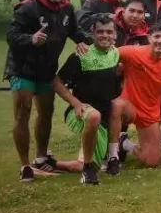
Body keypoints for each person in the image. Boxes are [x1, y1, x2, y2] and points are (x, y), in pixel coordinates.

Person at [5, 0, 88, 181]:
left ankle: (41, 158)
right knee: (23, 113)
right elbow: (11, 36)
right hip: (23, 69)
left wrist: (98, 39)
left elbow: (76, 33)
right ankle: (25, 166)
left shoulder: (67, 9)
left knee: (46, 113)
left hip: (47, 71)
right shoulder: (28, 7)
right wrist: (31, 38)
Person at [106, 23, 161, 173]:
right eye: (156, 36)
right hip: (129, 105)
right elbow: (106, 54)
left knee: (152, 162)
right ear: (149, 38)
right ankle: (112, 156)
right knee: (116, 105)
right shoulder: (131, 52)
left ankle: (124, 143)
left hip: (149, 113)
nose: (160, 40)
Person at [52, 15, 122, 185]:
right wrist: (75, 103)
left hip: (103, 119)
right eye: (100, 32)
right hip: (81, 113)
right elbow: (56, 81)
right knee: (93, 116)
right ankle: (87, 170)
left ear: (115, 35)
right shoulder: (81, 56)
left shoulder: (115, 53)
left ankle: (53, 163)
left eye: (109, 32)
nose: (105, 35)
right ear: (92, 33)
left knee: (119, 106)